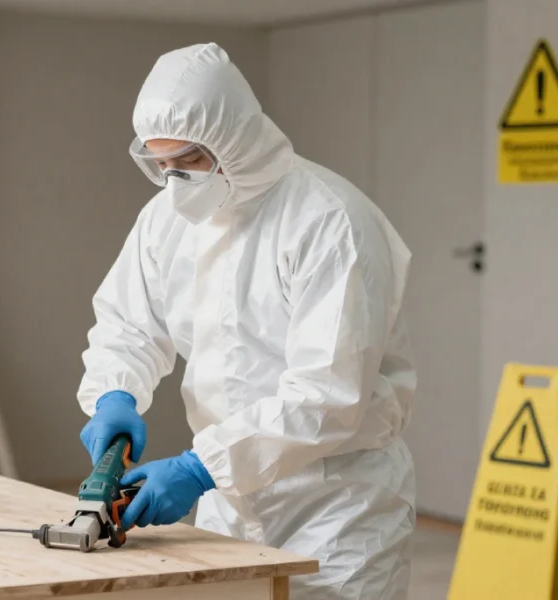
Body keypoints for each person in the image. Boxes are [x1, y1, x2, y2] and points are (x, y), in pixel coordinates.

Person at [76, 43, 417, 600]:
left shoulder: (329, 221)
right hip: (230, 501)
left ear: (233, 139)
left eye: (188, 162)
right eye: (161, 165)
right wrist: (116, 393)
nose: (174, 181)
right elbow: (128, 323)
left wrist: (199, 467)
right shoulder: (166, 218)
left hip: (334, 505)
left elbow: (327, 394)